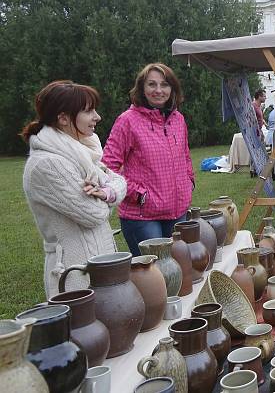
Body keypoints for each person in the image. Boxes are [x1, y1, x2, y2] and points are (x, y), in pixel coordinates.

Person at [21, 81, 127, 297]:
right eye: (89, 111)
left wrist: (107, 192)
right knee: (84, 330)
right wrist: (110, 197)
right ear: (63, 118)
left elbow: (120, 181)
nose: (97, 117)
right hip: (73, 278)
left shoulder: (82, 152)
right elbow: (94, 214)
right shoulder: (48, 164)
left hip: (101, 265)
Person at [102, 63, 194, 255]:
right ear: (142, 88)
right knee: (154, 275)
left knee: (179, 270)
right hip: (142, 217)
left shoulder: (178, 119)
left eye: (164, 84)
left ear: (172, 88)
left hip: (178, 212)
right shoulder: (127, 121)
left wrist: (189, 180)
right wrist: (138, 193)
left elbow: (185, 155)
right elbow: (107, 167)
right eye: (152, 84)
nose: (158, 90)